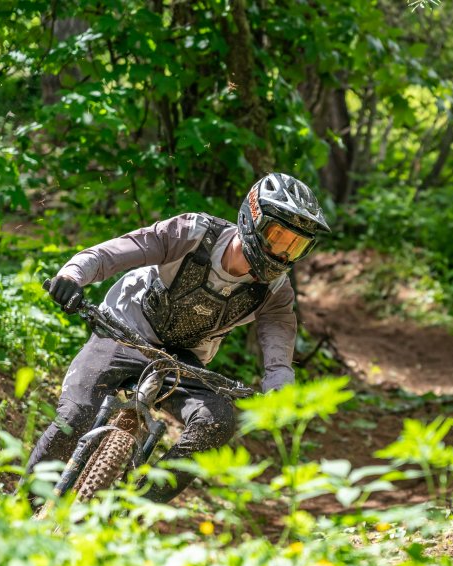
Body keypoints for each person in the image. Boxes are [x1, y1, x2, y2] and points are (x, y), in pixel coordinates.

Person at [25, 173, 330, 503]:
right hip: (124, 331)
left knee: (217, 422)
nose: (282, 254)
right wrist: (73, 274)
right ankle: (21, 511)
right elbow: (122, 249)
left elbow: (279, 342)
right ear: (253, 217)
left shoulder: (275, 290)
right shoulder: (194, 233)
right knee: (75, 416)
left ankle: (138, 508)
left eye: (295, 246)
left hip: (183, 360)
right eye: (277, 237)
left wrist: (280, 389)